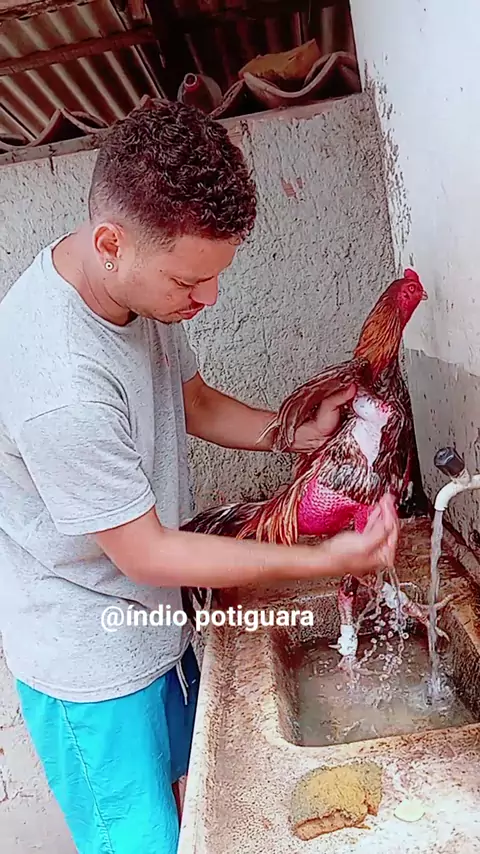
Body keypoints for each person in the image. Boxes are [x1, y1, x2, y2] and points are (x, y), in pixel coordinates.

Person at [0, 101, 398, 854]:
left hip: (155, 622)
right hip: (93, 659)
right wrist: (321, 558)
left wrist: (291, 432)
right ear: (112, 243)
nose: (207, 299)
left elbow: (195, 401)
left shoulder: (131, 287)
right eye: (190, 281)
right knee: (140, 844)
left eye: (215, 277)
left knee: (198, 820)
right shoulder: (60, 384)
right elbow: (146, 552)